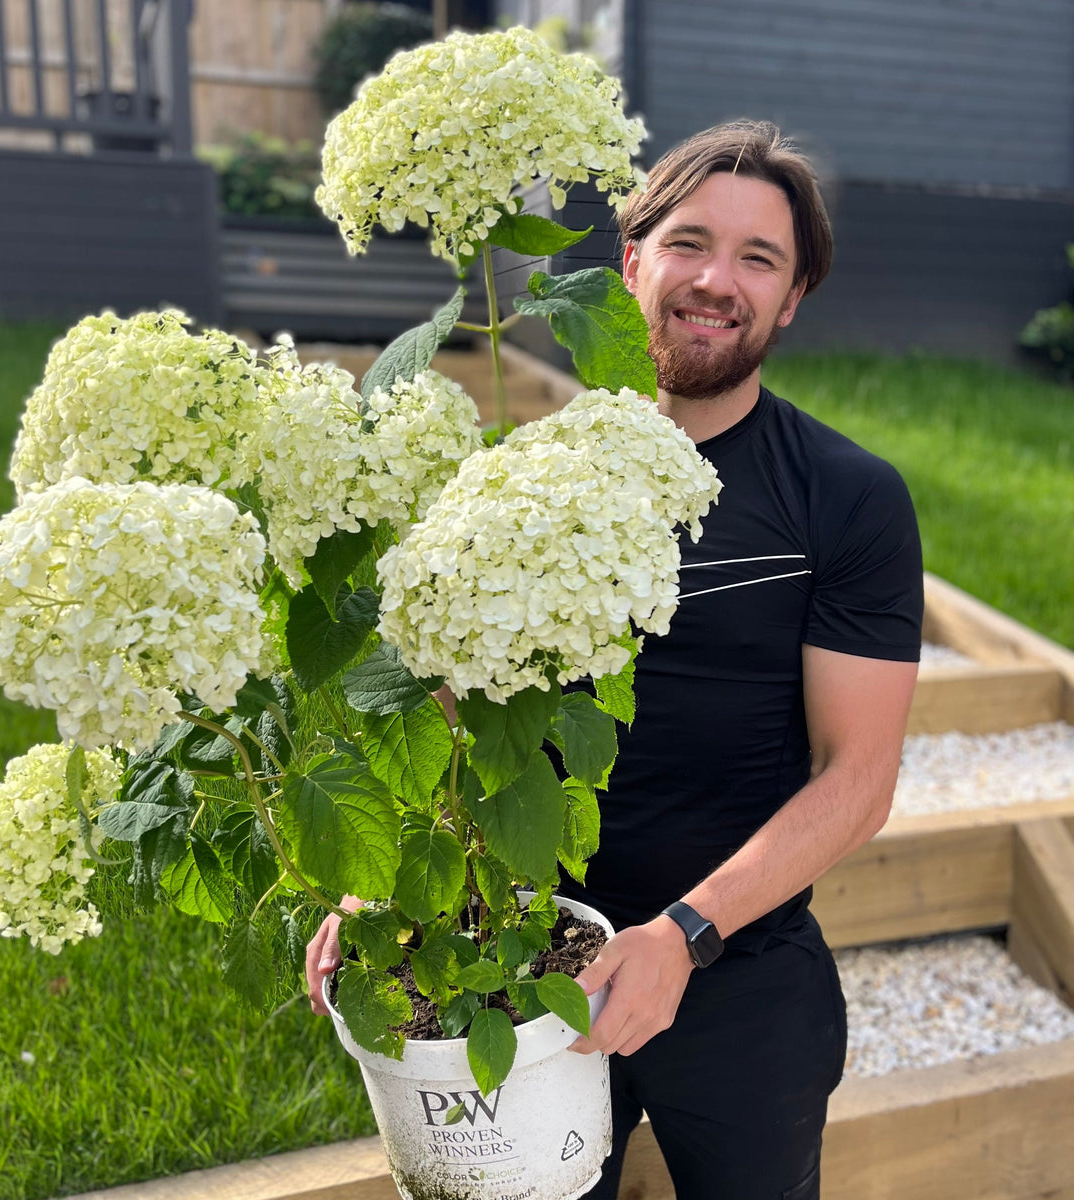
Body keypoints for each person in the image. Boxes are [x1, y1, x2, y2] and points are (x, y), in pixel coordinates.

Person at [306, 120, 923, 1200]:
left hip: (738, 972)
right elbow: (457, 712)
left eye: (759, 259)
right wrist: (386, 889)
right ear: (632, 262)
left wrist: (683, 934)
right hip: (518, 950)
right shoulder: (524, 478)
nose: (716, 281)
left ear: (793, 299)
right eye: (688, 243)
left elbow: (859, 779)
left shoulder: (847, 497)